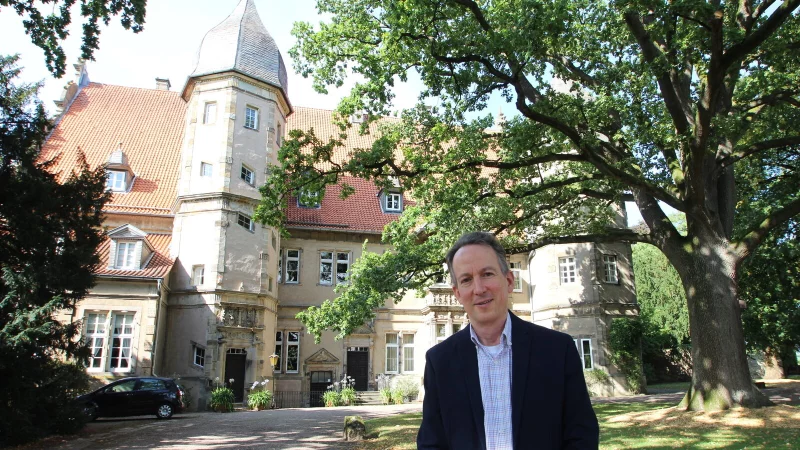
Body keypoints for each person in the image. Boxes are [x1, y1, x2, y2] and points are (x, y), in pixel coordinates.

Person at [417, 232, 599, 449]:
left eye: (487, 274)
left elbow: (581, 435)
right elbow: (431, 442)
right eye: (466, 279)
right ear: (457, 293)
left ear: (509, 280)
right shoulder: (440, 361)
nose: (479, 289)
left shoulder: (557, 351)